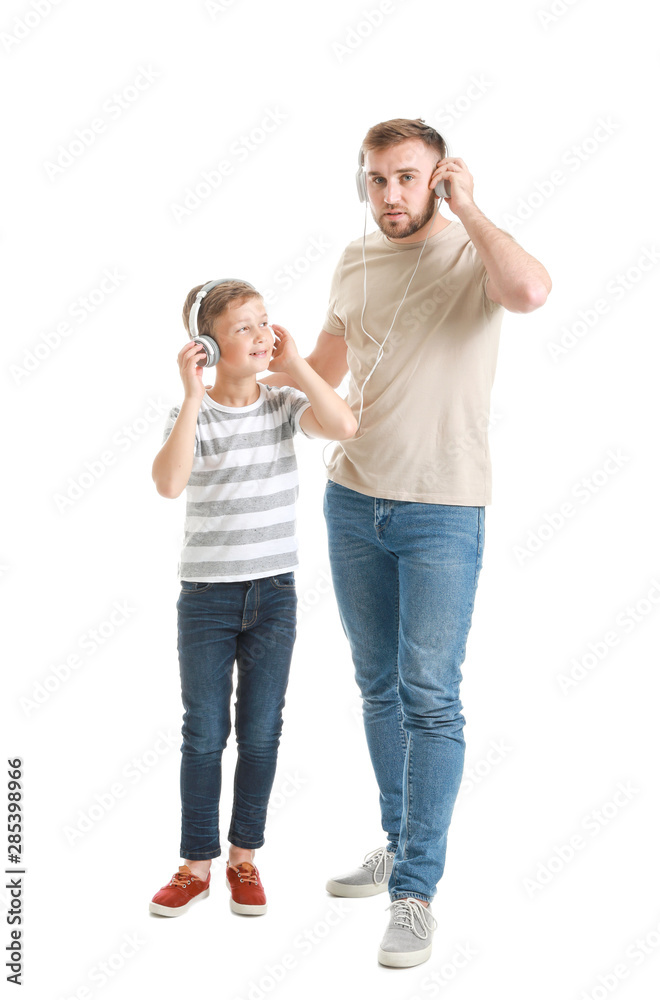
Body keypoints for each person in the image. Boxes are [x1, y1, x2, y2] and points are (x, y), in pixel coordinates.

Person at [263, 118, 552, 967]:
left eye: (406, 177)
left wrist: (474, 207)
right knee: (377, 687)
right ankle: (397, 838)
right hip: (353, 502)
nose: (390, 194)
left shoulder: (475, 253)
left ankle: (416, 891)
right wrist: (277, 382)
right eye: (376, 178)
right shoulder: (354, 262)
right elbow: (324, 378)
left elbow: (533, 293)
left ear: (440, 178)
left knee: (432, 697)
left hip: (441, 509)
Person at [149, 279, 356, 919]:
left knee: (261, 733)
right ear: (207, 346)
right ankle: (194, 865)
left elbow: (345, 424)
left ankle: (245, 858)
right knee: (204, 734)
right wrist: (190, 396)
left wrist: (296, 366)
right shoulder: (194, 412)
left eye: (265, 321)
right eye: (244, 327)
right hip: (207, 599)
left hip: (274, 595)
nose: (262, 334)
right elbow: (169, 483)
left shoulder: (282, 403)